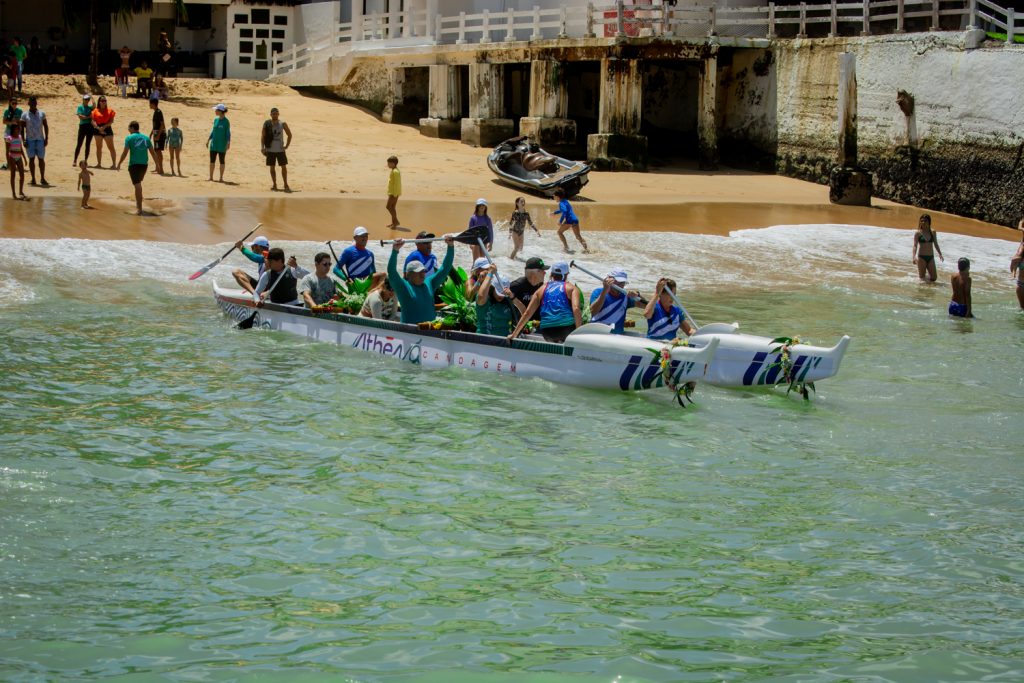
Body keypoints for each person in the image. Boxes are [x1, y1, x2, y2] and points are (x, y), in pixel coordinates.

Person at [387, 235, 456, 325]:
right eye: (418, 272)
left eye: (423, 271)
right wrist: (395, 250)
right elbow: (391, 272)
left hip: (430, 332)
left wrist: (450, 246)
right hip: (410, 333)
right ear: (409, 275)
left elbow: (445, 269)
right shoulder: (403, 287)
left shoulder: (429, 283)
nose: (422, 275)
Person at [508, 261, 581, 343]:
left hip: (547, 332)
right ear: (566, 274)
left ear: (551, 274)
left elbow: (527, 313)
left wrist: (514, 334)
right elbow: (576, 309)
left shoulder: (541, 289)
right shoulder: (571, 288)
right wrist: (579, 335)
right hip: (565, 330)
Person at [116, 120, 154, 215]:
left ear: (132, 128)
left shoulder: (129, 138)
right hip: (144, 165)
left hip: (134, 165)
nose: (128, 129)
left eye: (129, 127)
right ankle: (139, 203)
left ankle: (139, 209)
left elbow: (125, 152)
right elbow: (152, 152)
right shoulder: (146, 138)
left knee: (137, 186)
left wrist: (119, 162)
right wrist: (157, 164)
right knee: (138, 185)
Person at [590, 268, 642, 334]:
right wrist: (604, 291)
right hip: (598, 333)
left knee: (632, 324)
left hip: (617, 336)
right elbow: (592, 312)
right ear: (609, 279)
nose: (621, 285)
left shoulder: (626, 296)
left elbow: (648, 307)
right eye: (618, 282)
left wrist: (638, 295)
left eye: (623, 282)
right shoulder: (598, 292)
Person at [474, 263, 514, 336]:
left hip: (504, 342)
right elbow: (481, 296)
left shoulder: (509, 301)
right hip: (484, 340)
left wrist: (513, 297)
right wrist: (490, 273)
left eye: (503, 294)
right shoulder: (485, 300)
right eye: (498, 292)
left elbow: (524, 312)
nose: (501, 296)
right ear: (492, 288)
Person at [261, 107, 291, 191]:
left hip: (280, 150)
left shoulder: (283, 123)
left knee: (283, 167)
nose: (275, 115)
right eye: (273, 114)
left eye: (276, 113)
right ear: (270, 114)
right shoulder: (266, 123)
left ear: (278, 114)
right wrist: (262, 147)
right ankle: (274, 184)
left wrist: (287, 146)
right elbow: (263, 136)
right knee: (272, 168)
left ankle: (285, 184)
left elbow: (290, 135)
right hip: (270, 150)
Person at [509, 257, 548, 322]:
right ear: (533, 273)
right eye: (542, 270)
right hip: (519, 325)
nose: (545, 273)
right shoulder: (516, 286)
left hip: (536, 325)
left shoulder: (541, 286)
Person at [552, 188, 588, 254]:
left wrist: (560, 221)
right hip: (575, 219)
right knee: (578, 237)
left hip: (569, 221)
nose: (553, 198)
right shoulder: (565, 201)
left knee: (559, 232)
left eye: (554, 196)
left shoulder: (561, 203)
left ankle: (566, 247)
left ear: (557, 197)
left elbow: (564, 211)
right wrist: (555, 212)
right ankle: (587, 250)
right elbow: (563, 210)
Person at [21, 96, 47, 186]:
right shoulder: (25, 115)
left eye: (34, 103)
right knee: (31, 159)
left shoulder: (42, 113)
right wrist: (23, 140)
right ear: (29, 104)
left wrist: (46, 138)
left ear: (36, 103)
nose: (33, 105)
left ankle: (42, 178)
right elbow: (22, 128)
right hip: (30, 140)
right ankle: (33, 179)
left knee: (41, 159)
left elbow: (45, 126)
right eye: (31, 103)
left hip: (40, 139)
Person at [912, 213, 944, 282]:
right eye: (922, 221)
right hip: (921, 257)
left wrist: (940, 254)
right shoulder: (918, 233)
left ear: (929, 222)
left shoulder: (933, 232)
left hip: (930, 257)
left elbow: (936, 244)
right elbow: (915, 245)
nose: (923, 222)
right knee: (922, 278)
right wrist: (914, 256)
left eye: (925, 221)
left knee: (934, 278)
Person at [90, 96, 116, 168]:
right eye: (102, 101)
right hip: (97, 129)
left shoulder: (110, 111)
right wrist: (98, 128)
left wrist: (104, 127)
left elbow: (111, 121)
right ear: (99, 102)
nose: (103, 102)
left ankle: (114, 164)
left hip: (107, 128)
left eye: (105, 101)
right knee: (98, 147)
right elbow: (92, 121)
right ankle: (99, 164)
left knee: (111, 147)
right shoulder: (95, 111)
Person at [207, 103, 230, 182]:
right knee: (212, 160)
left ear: (220, 111)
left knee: (222, 161)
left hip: (221, 145)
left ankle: (221, 178)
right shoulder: (215, 120)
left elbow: (228, 133)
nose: (215, 111)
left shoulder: (226, 122)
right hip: (214, 144)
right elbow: (213, 131)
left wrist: (228, 142)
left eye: (216, 110)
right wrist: (208, 140)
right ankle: (211, 177)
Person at [73, 93, 94, 167]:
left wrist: (92, 98)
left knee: (87, 145)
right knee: (79, 144)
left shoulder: (90, 107)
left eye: (88, 99)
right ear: (83, 100)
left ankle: (85, 160)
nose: (87, 101)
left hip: (90, 127)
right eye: (85, 99)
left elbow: (94, 106)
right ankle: (75, 160)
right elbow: (81, 117)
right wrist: (89, 117)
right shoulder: (80, 107)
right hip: (83, 126)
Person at [6, 124, 26, 199]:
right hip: (12, 157)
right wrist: (8, 162)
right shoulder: (9, 138)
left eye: (18, 129)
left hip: (19, 157)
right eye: (16, 129)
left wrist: (24, 158)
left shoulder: (20, 137)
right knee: (13, 175)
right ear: (13, 130)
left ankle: (20, 191)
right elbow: (7, 150)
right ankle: (13, 193)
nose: (17, 130)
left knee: (22, 175)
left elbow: (21, 148)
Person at [149, 97, 165, 174]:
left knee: (158, 151)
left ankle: (161, 169)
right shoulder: (156, 112)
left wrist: (158, 135)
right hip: (156, 133)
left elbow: (162, 125)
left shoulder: (158, 112)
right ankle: (157, 167)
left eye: (150, 104)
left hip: (160, 134)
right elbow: (155, 125)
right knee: (156, 150)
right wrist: (151, 134)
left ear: (153, 104)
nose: (149, 105)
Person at [386, 155, 400, 228]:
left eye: (389, 163)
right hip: (393, 192)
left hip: (394, 193)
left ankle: (396, 221)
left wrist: (394, 194)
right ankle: (393, 223)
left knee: (388, 207)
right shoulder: (394, 170)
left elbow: (397, 184)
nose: (388, 165)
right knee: (392, 208)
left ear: (393, 164)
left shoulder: (395, 172)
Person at [1011, 231, 1024, 311]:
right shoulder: (1019, 256)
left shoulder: (1019, 257)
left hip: (1021, 285)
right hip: (1021, 285)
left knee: (1022, 309)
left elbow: (1013, 262)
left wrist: (1013, 273)